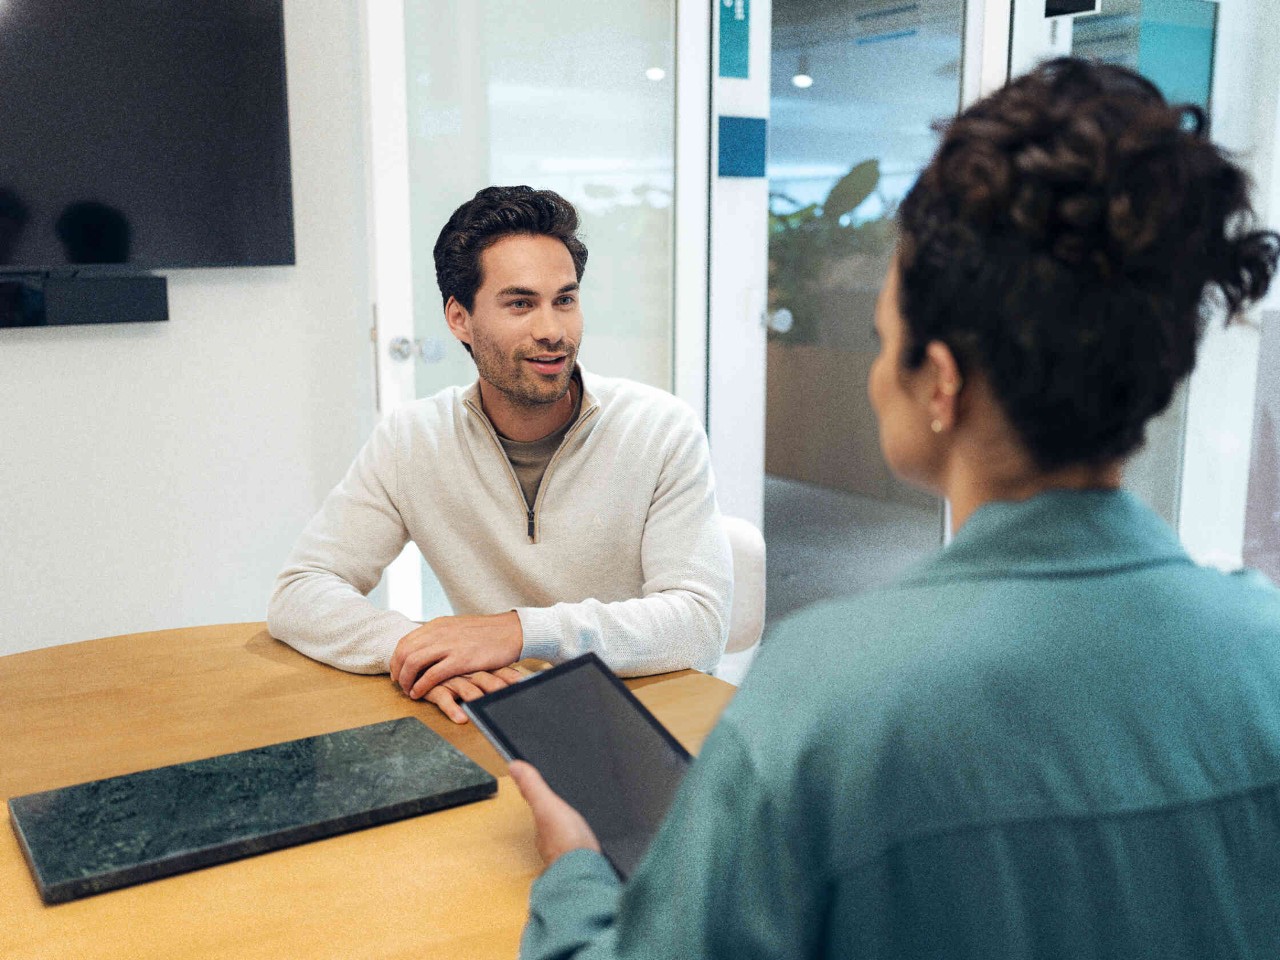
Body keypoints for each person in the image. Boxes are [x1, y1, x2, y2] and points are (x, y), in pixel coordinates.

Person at [509, 58, 1280, 958]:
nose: (879, 375)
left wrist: (573, 879)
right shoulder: (1263, 653)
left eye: (884, 340)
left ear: (941, 381)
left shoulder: (830, 703)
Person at [268, 186, 732, 723]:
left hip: (646, 715)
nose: (552, 331)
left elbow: (699, 624)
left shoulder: (659, 429)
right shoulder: (413, 439)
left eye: (565, 299)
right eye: (520, 304)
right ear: (460, 318)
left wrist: (516, 632)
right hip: (501, 716)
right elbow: (301, 590)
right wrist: (414, 647)